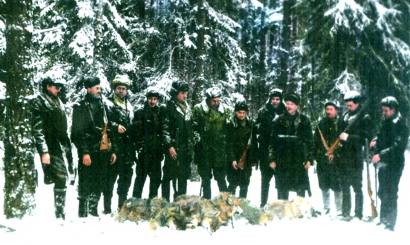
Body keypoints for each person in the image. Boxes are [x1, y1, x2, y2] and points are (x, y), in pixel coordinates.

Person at [71, 77, 117, 217]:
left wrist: (113, 149)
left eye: (99, 87)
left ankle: (93, 211)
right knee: (85, 182)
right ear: (88, 88)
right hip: (88, 151)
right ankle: (83, 215)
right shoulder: (80, 107)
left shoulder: (104, 105)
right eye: (96, 88)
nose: (99, 90)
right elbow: (77, 133)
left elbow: (108, 128)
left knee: (99, 181)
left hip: (102, 151)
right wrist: (84, 153)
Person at [31, 77, 73, 219]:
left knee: (62, 178)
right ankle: (57, 213)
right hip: (47, 145)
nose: (59, 89)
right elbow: (37, 129)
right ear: (48, 86)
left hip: (58, 144)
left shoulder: (57, 101)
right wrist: (44, 151)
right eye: (56, 86)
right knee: (57, 178)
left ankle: (60, 211)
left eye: (60, 87)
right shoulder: (40, 102)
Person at [370, 96, 409, 231]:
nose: (383, 113)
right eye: (383, 110)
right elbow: (381, 135)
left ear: (393, 110)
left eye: (386, 110)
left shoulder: (401, 124)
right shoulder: (386, 121)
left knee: (391, 192)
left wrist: (380, 155)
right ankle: (383, 218)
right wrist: (375, 140)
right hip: (383, 163)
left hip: (394, 164)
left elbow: (398, 147)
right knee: (382, 191)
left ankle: (390, 222)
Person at [269, 93, 313, 200]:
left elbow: (310, 142)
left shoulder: (304, 121)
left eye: (292, 104)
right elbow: (272, 142)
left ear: (296, 106)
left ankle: (299, 213)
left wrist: (309, 159)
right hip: (282, 160)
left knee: (300, 189)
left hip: (299, 160)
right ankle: (283, 214)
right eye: (287, 103)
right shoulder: (278, 120)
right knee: (282, 189)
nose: (289, 106)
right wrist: (272, 159)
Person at [338, 91, 373, 220]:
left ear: (357, 103)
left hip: (355, 156)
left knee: (357, 186)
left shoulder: (364, 117)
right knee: (345, 186)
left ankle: (358, 214)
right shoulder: (345, 116)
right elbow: (339, 132)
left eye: (350, 103)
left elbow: (366, 137)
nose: (348, 105)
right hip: (343, 156)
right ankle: (345, 212)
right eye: (347, 103)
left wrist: (349, 137)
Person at [193, 87, 230, 199]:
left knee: (221, 179)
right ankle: (206, 203)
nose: (216, 103)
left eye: (218, 100)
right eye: (214, 101)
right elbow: (193, 127)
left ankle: (226, 203)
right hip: (204, 150)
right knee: (205, 179)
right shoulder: (198, 109)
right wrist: (198, 140)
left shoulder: (226, 110)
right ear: (208, 100)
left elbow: (229, 129)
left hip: (220, 151)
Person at [131, 89, 167, 199]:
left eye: (154, 99)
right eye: (150, 99)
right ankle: (135, 203)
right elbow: (136, 133)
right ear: (147, 99)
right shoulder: (140, 113)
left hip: (156, 152)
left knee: (155, 180)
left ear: (157, 100)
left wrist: (161, 147)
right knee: (140, 179)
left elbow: (163, 131)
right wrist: (140, 147)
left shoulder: (160, 113)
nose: (152, 101)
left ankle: (153, 203)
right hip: (144, 152)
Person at [106, 74, 135, 212]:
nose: (121, 91)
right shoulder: (107, 103)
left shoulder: (129, 106)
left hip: (127, 148)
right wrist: (115, 126)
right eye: (119, 88)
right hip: (113, 145)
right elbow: (103, 122)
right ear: (114, 89)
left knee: (125, 178)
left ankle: (121, 206)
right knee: (110, 178)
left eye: (124, 88)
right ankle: (106, 208)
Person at [162, 81, 193, 201]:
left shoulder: (187, 107)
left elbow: (191, 127)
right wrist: (169, 146)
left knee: (183, 177)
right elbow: (165, 129)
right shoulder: (168, 107)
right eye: (182, 93)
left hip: (185, 149)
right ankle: (165, 202)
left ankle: (181, 204)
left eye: (186, 93)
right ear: (176, 93)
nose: (185, 96)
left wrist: (192, 141)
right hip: (173, 148)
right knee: (168, 177)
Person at [256, 88, 285, 207]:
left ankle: (281, 204)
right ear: (270, 99)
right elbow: (256, 126)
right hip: (265, 150)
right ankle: (263, 203)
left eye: (277, 99)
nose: (275, 101)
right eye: (273, 99)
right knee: (265, 180)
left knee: (281, 180)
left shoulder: (285, 111)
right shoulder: (263, 111)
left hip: (280, 151)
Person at [313, 101, 343, 215]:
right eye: (327, 109)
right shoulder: (321, 124)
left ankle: (339, 209)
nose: (328, 111)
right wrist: (317, 156)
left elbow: (344, 142)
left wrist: (336, 153)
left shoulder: (341, 123)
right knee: (323, 184)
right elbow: (315, 141)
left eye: (331, 109)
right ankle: (326, 207)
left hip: (337, 160)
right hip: (323, 159)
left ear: (336, 110)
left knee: (337, 185)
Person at [226, 101, 257, 198]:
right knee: (232, 185)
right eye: (239, 112)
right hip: (234, 159)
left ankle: (242, 205)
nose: (242, 115)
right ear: (235, 112)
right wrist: (232, 159)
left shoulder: (251, 125)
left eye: (244, 112)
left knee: (245, 185)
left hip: (246, 159)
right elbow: (228, 144)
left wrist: (254, 159)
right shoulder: (230, 125)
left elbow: (254, 143)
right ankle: (230, 207)